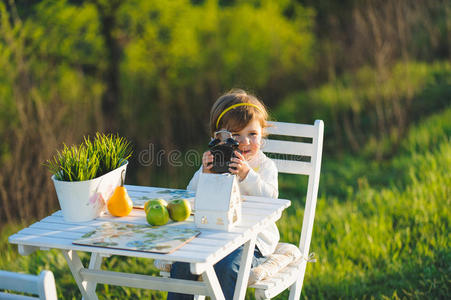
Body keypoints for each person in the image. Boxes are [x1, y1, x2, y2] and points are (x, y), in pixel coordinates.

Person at [167, 89, 279, 300]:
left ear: (262, 134)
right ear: (218, 138)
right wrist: (205, 174)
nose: (245, 142)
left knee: (226, 268)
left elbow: (272, 201)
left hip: (253, 241)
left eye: (252, 134)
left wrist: (248, 175)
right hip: (214, 233)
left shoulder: (264, 166)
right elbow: (190, 196)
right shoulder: (216, 162)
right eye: (236, 135)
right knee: (183, 263)